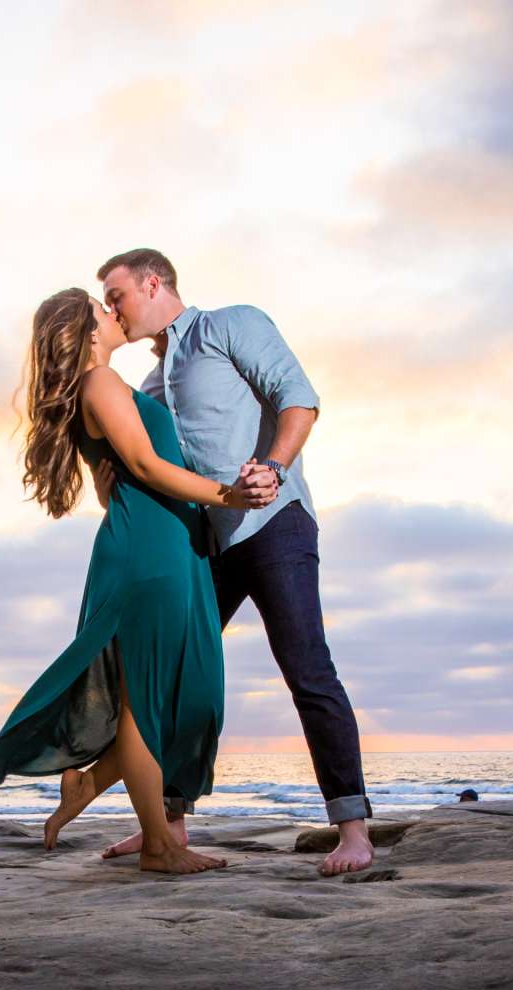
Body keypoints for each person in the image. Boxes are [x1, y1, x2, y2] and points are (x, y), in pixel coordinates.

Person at [93, 249, 377, 877]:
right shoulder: (147, 385)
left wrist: (274, 467)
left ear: (153, 281)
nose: (112, 309)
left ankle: (353, 830)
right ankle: (166, 831)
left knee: (306, 667)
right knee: (172, 677)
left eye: (116, 295)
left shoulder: (230, 325)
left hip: (274, 525)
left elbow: (299, 396)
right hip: (205, 546)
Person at [0, 289, 276, 875]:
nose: (113, 312)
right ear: (87, 331)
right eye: (102, 308)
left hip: (165, 545)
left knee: (174, 694)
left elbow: (116, 482)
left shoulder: (105, 391)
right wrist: (229, 495)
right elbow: (144, 467)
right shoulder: (100, 386)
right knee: (146, 698)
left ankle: (91, 786)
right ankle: (159, 846)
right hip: (150, 553)